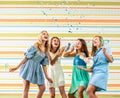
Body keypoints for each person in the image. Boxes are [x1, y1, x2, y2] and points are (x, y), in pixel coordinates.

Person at [9, 30, 53, 98]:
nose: (46, 35)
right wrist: (17, 67)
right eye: (44, 34)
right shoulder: (36, 45)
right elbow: (26, 57)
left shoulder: (46, 50)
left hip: (37, 68)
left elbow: (44, 65)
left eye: (47, 34)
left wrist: (47, 77)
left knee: (42, 88)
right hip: (28, 66)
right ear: (40, 36)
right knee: (26, 87)